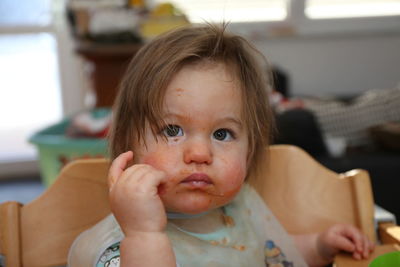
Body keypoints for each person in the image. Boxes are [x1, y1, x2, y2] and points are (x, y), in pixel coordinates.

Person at [68, 24, 374, 267]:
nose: (200, 154)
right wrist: (143, 234)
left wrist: (320, 246)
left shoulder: (238, 207)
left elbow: (271, 252)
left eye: (222, 134)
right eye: (172, 130)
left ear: (251, 150)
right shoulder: (119, 247)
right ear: (126, 145)